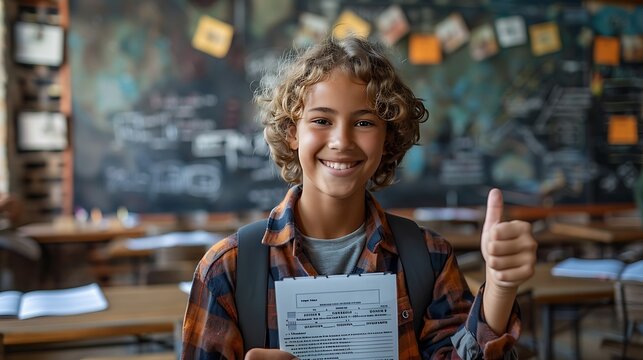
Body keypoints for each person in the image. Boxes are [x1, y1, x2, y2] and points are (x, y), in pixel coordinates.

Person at [182, 36, 537, 360]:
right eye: (321, 120)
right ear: (292, 132)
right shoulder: (229, 269)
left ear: (388, 137)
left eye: (364, 123)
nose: (342, 141)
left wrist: (500, 289)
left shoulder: (428, 259)